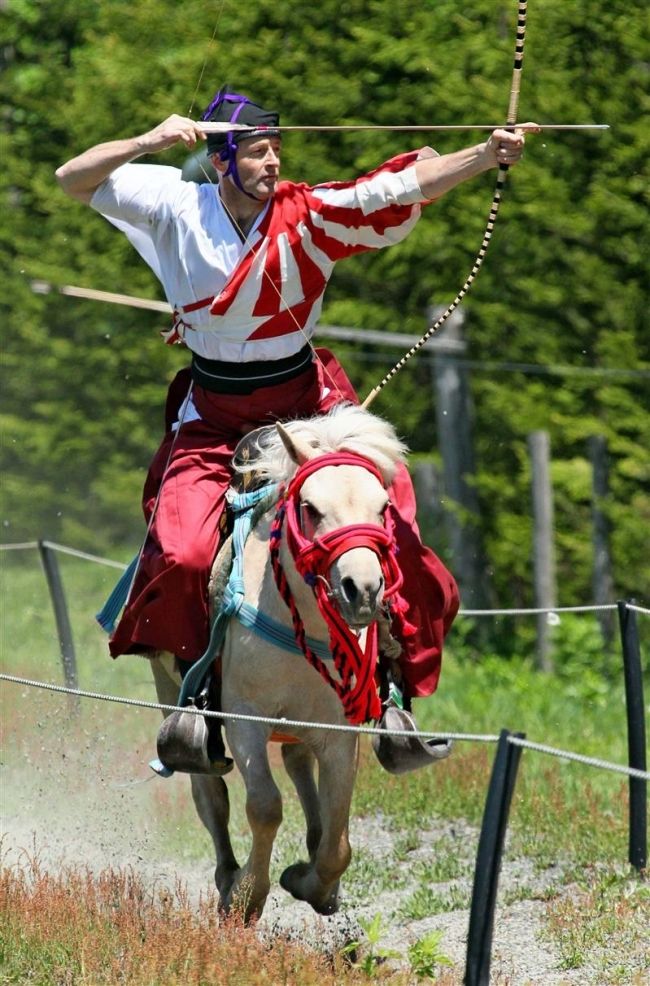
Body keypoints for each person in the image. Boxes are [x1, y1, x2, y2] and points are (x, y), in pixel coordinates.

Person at [55, 89, 531, 724]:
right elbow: (73, 178)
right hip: (214, 413)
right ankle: (196, 697)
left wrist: (483, 154)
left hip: (307, 406)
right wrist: (151, 140)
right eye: (256, 151)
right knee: (184, 552)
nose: (272, 163)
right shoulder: (173, 203)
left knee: (390, 522)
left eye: (276, 148)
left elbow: (394, 189)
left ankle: (388, 688)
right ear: (221, 162)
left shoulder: (306, 214)